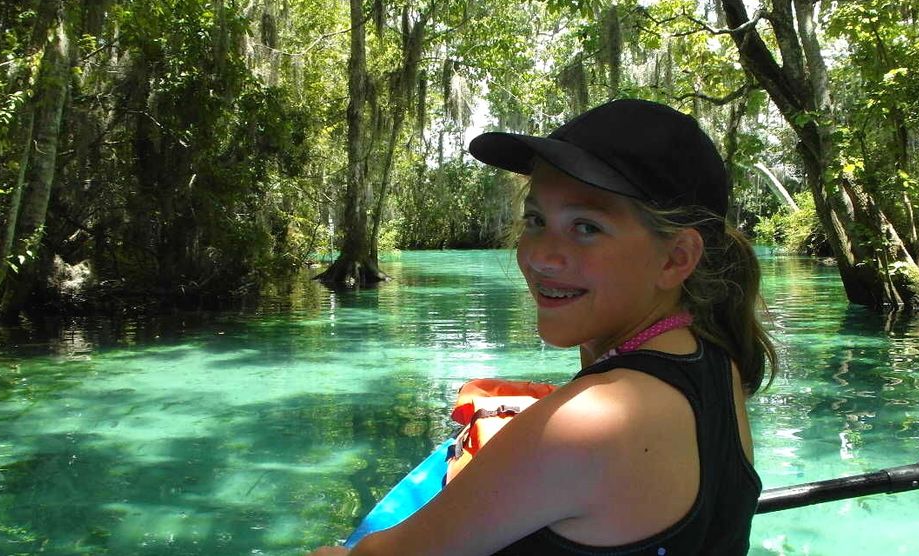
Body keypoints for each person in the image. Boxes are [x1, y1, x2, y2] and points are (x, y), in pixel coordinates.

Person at [310, 98, 776, 555]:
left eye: (587, 227)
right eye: (536, 220)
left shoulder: (589, 423)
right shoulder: (714, 359)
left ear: (676, 258)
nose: (539, 256)